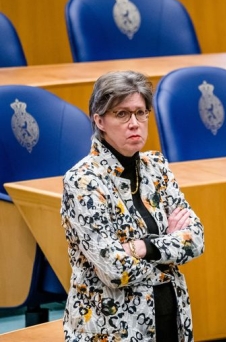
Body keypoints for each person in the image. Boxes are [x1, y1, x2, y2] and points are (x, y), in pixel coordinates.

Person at [61, 70, 204, 342]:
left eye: (141, 112)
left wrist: (142, 247)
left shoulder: (157, 167)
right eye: (122, 114)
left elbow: (196, 239)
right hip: (110, 328)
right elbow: (113, 269)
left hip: (170, 317)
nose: (135, 123)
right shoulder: (83, 180)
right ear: (99, 120)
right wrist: (168, 248)